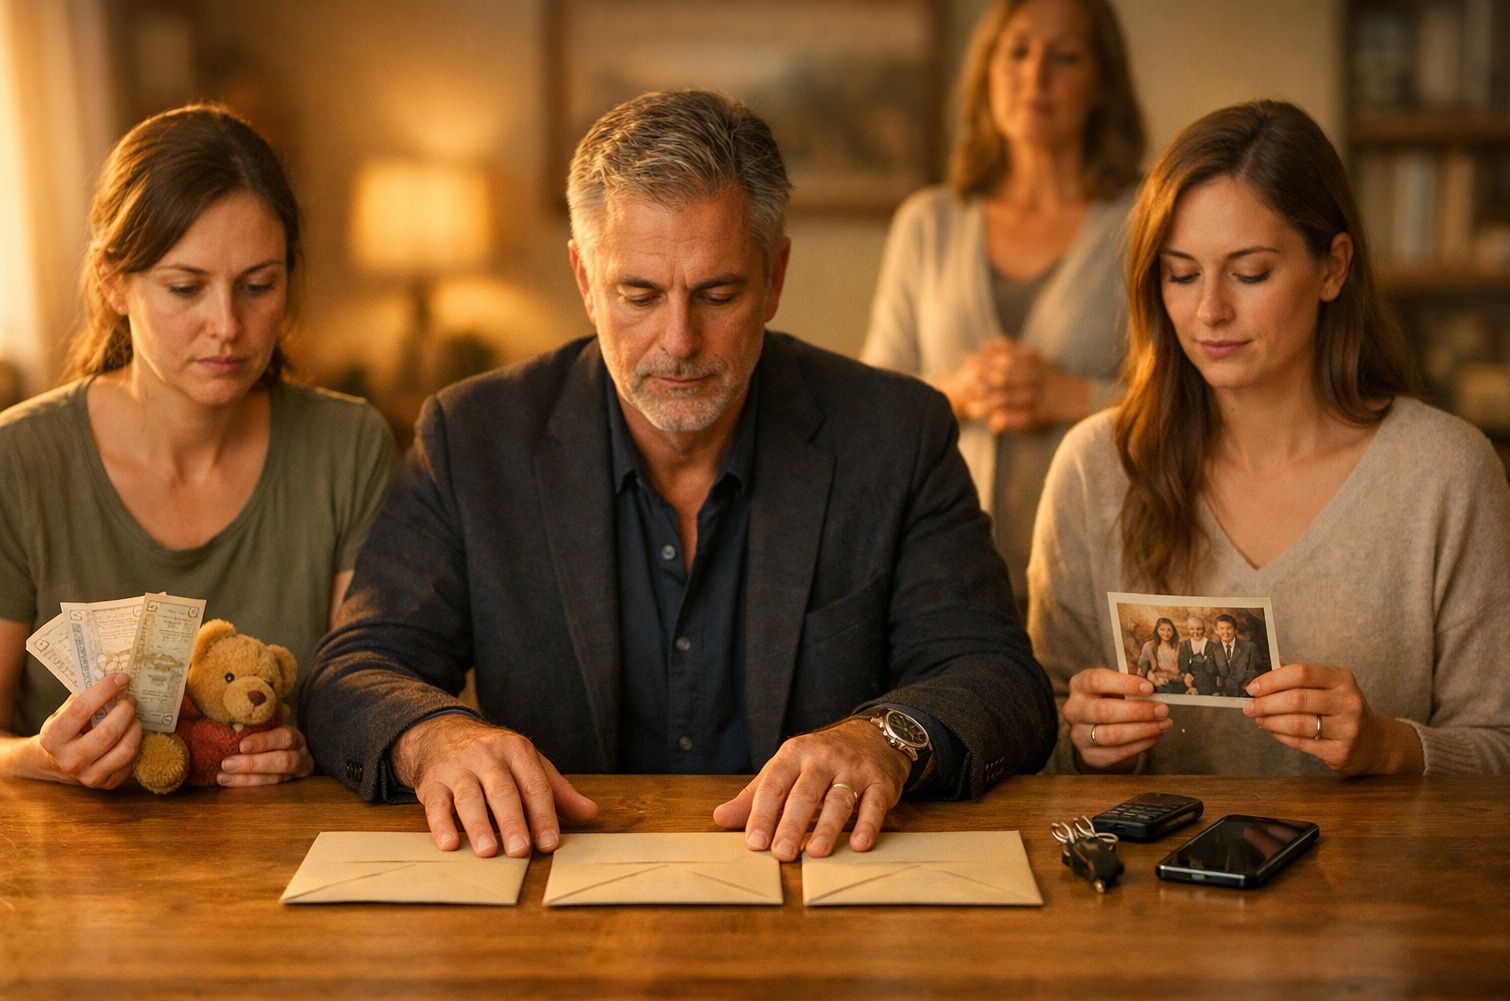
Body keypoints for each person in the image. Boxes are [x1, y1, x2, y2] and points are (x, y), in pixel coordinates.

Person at [302, 90, 1057, 863]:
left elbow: (998, 677)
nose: (679, 341)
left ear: (775, 277)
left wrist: (885, 737)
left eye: (718, 294)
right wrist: (436, 739)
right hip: (555, 901)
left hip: (820, 888)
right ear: (584, 279)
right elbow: (355, 670)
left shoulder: (894, 433)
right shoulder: (473, 437)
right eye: (639, 294)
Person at [1027, 99, 1510, 775]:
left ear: (1332, 268)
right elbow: (1036, 733)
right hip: (1147, 879)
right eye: (1181, 275)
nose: (1210, 310)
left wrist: (1389, 746)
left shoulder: (1445, 472)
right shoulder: (1098, 467)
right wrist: (1081, 743)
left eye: (1250, 273)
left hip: (1379, 882)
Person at [0, 104, 395, 788]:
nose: (227, 326)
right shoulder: (18, 462)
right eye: (186, 288)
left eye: (258, 286)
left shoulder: (348, 446)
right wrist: (40, 758)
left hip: (284, 864)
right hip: (74, 875)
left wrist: (317, 749)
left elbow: (369, 695)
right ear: (111, 282)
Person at [861, 0, 1144, 604]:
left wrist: (1073, 396)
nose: (1035, 76)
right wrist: (959, 392)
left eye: (1065, 56)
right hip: (942, 573)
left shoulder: (1147, 220)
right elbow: (871, 409)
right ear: (987, 69)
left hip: (1108, 565)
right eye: (1017, 51)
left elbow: (1201, 402)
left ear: (1103, 83)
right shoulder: (927, 222)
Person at [1212, 614, 1260, 695]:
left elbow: (1255, 671)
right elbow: (1211, 673)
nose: (1225, 632)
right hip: (1222, 695)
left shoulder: (1249, 647)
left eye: (1229, 628)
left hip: (1245, 694)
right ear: (1216, 631)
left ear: (1236, 630)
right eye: (1221, 628)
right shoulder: (1212, 649)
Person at [1176, 616, 1218, 696]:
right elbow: (1182, 667)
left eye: (1199, 629)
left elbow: (1213, 670)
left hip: (1207, 685)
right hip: (1188, 684)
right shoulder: (1183, 645)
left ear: (1204, 629)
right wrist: (1186, 676)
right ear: (1188, 629)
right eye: (1192, 629)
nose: (1195, 632)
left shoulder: (1211, 646)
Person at [1135, 617, 1180, 691]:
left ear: (1173, 632)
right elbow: (1142, 666)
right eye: (1162, 629)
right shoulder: (1149, 646)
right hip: (1155, 681)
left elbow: (1182, 670)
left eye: (1169, 630)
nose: (1165, 633)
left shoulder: (1179, 647)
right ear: (1157, 630)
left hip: (1174, 682)